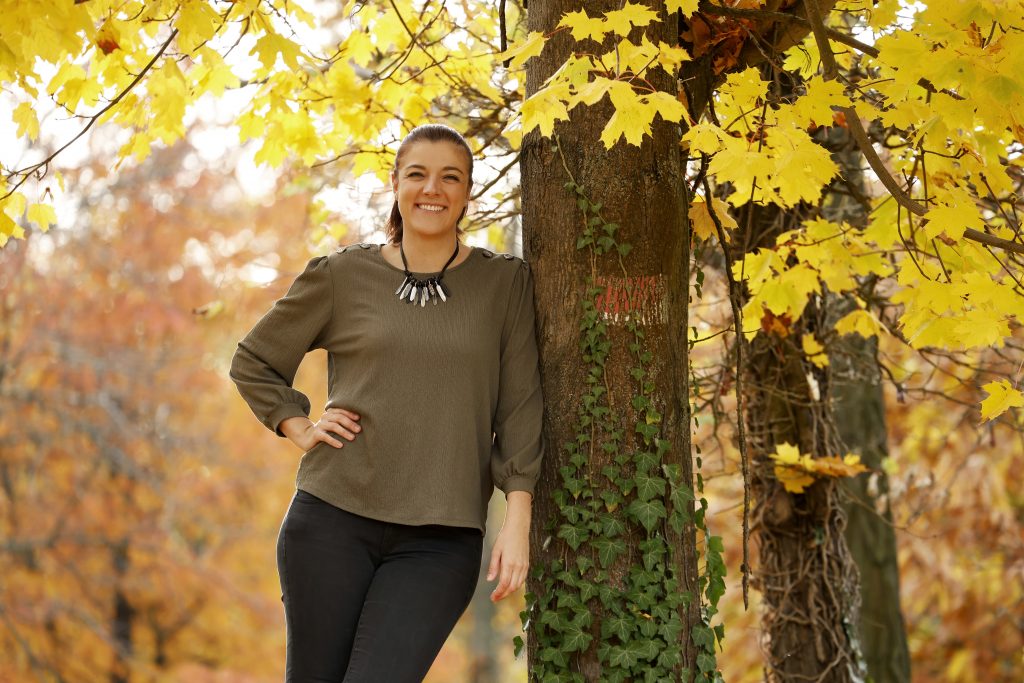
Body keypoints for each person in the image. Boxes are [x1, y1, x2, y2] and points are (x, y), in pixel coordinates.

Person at [228, 123, 544, 682]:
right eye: (417, 174)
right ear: (395, 183)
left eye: (451, 177)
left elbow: (519, 409)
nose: (433, 189)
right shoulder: (342, 275)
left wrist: (516, 523)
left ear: (468, 192)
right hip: (330, 521)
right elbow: (254, 359)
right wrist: (297, 425)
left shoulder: (504, 285)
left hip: (441, 538)